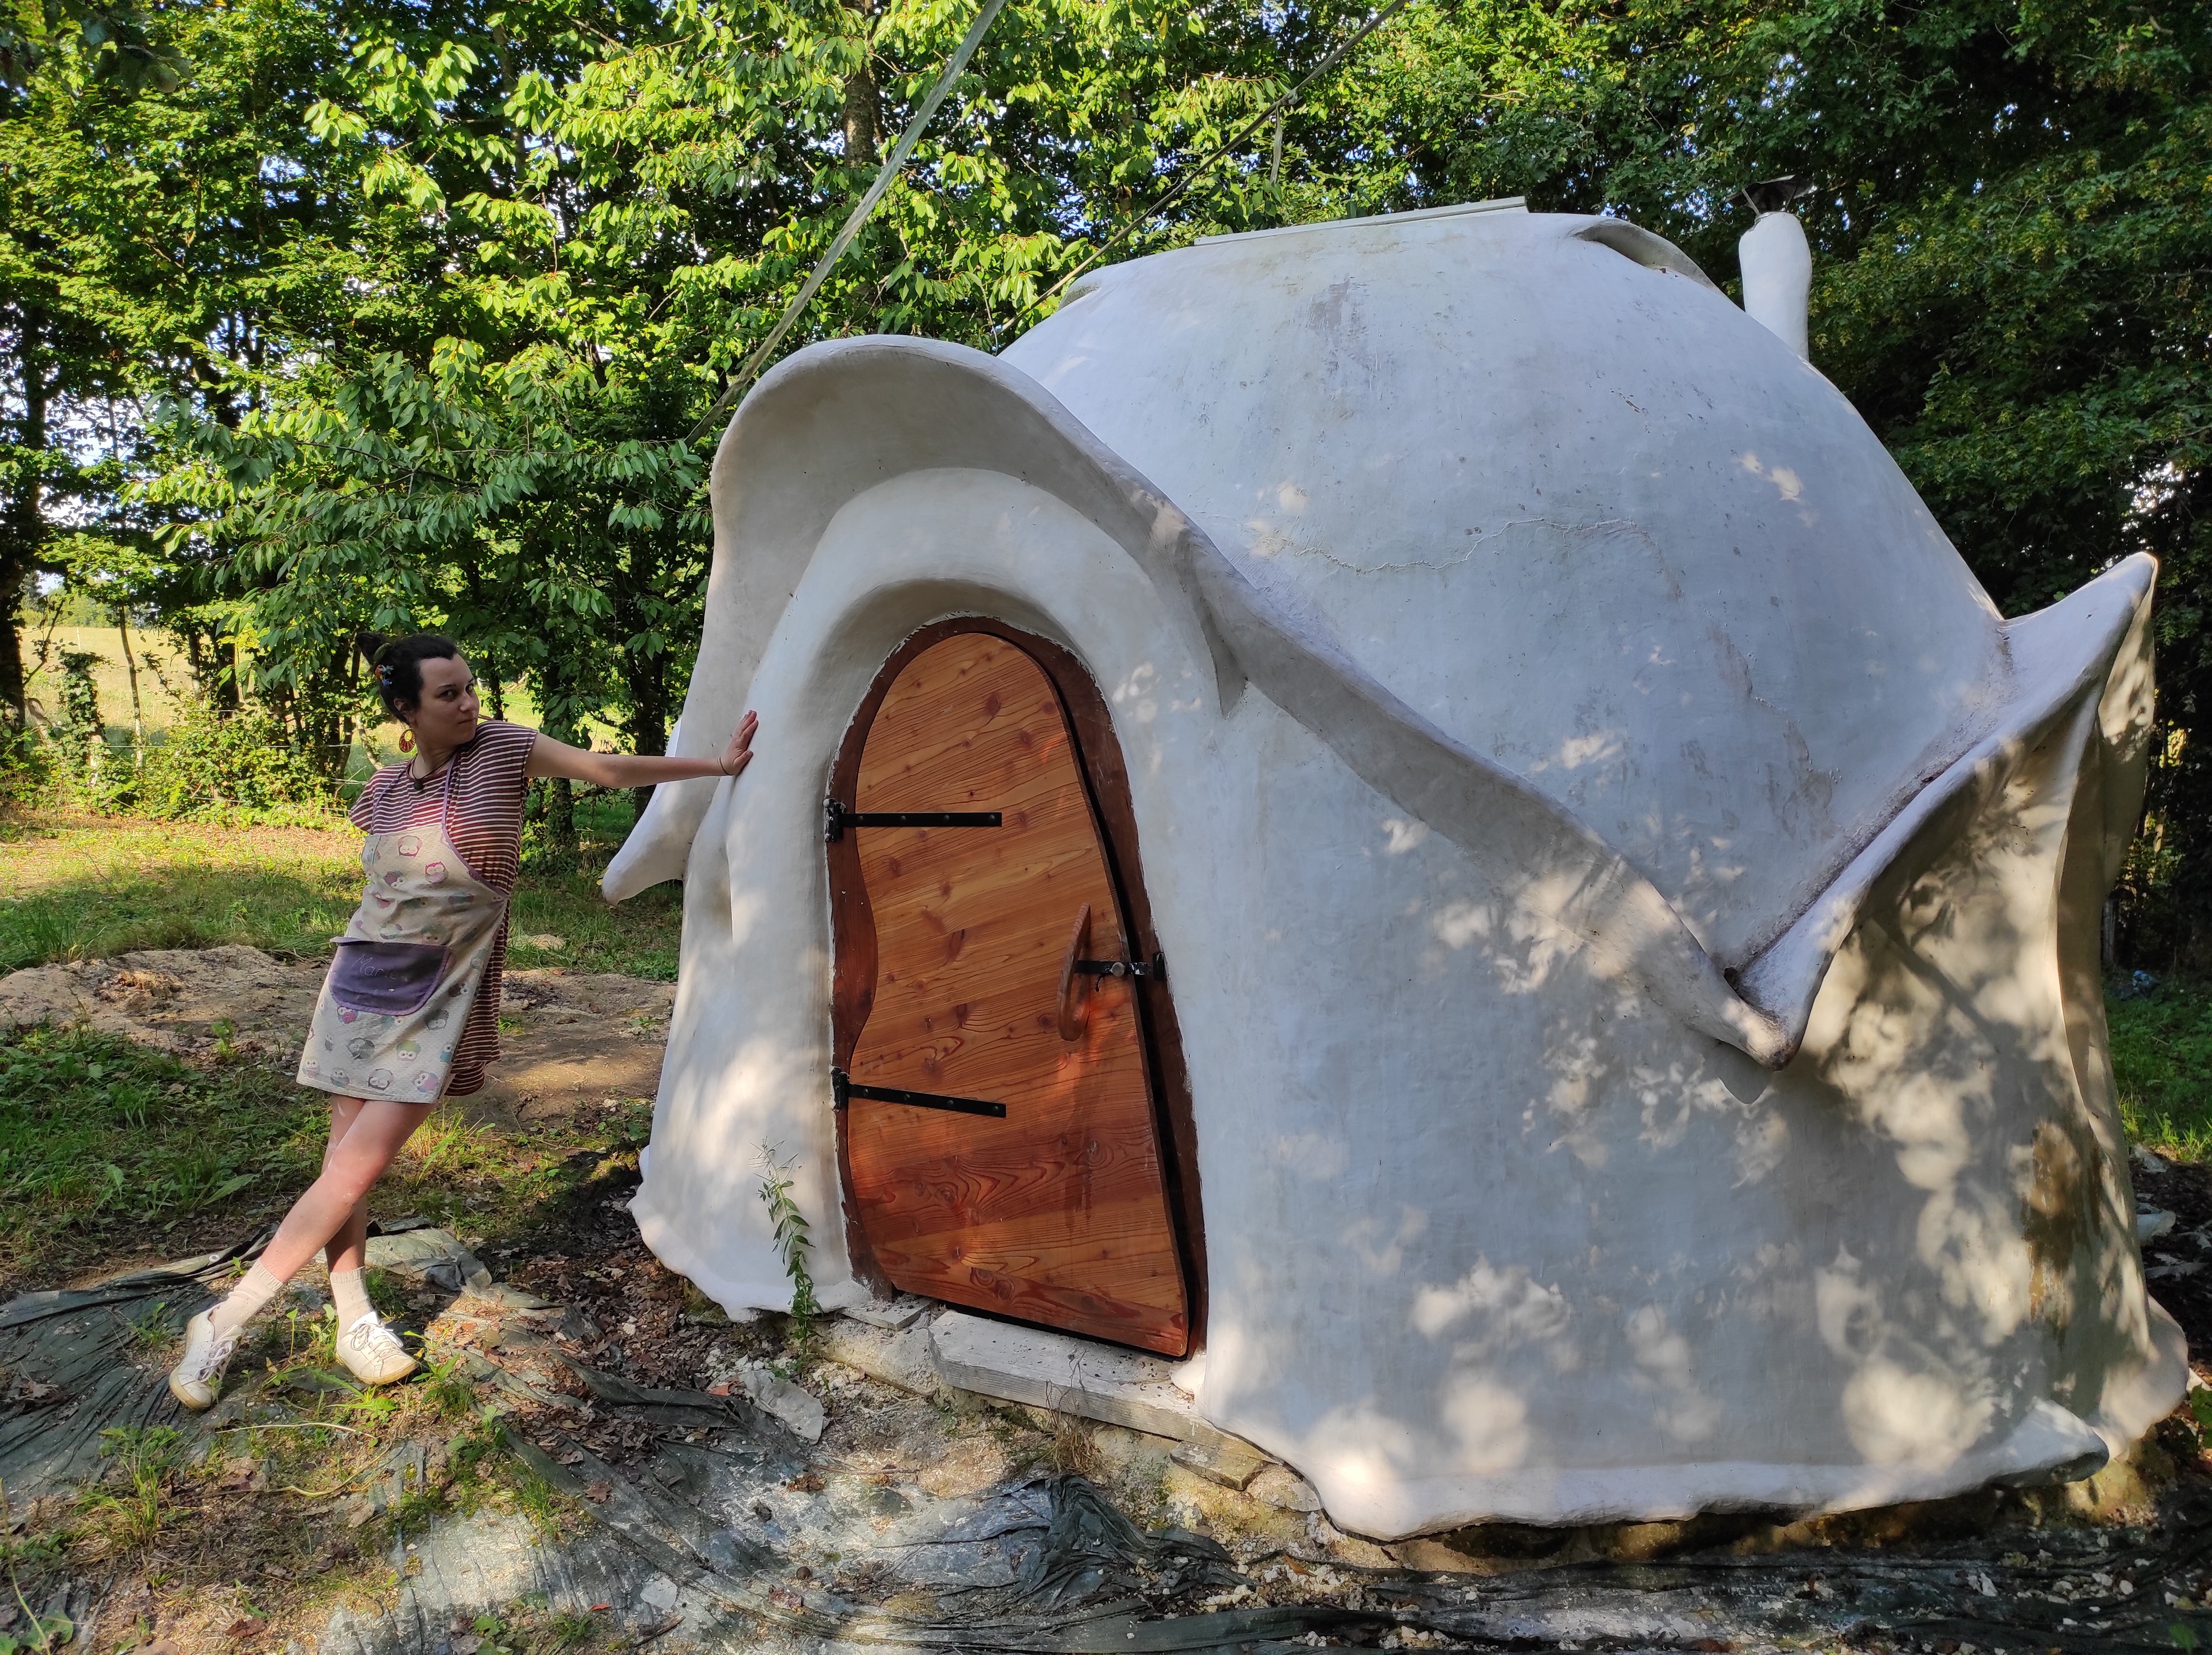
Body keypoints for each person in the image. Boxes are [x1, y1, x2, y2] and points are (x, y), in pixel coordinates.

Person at [169, 632, 757, 1408]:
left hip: (435, 999)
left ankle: (225, 1318)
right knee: (345, 1168)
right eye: (449, 695)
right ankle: (353, 1320)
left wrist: (714, 766)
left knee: (356, 1168)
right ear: (406, 710)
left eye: (471, 687)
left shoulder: (505, 753)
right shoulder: (382, 792)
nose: (470, 703)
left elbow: (606, 770)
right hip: (357, 986)